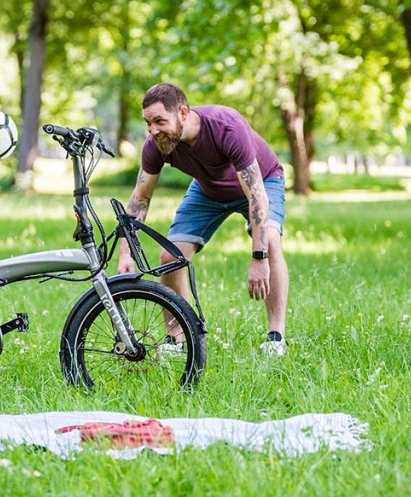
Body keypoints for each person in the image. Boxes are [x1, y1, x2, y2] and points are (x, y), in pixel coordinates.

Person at [117, 83, 290, 356]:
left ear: (183, 113)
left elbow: (256, 195)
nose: (152, 130)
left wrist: (259, 257)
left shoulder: (226, 126)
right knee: (169, 257)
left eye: (160, 121)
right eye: (148, 122)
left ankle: (275, 338)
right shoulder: (157, 145)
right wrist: (125, 252)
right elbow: (140, 199)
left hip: (262, 182)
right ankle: (176, 339)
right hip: (208, 189)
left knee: (269, 241)